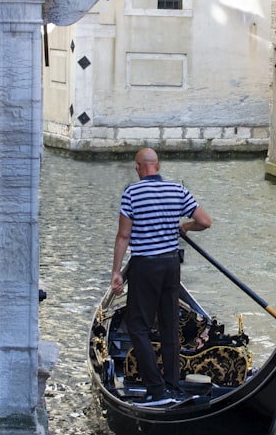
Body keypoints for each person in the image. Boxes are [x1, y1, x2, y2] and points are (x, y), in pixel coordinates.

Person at [111, 147, 212, 405]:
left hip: (145, 267)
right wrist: (185, 226)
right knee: (169, 327)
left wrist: (116, 273)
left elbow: (124, 236)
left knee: (137, 327)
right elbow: (204, 221)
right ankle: (172, 386)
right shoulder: (177, 190)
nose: (135, 170)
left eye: (136, 167)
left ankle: (156, 390)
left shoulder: (132, 193)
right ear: (157, 165)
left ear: (139, 167)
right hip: (170, 265)